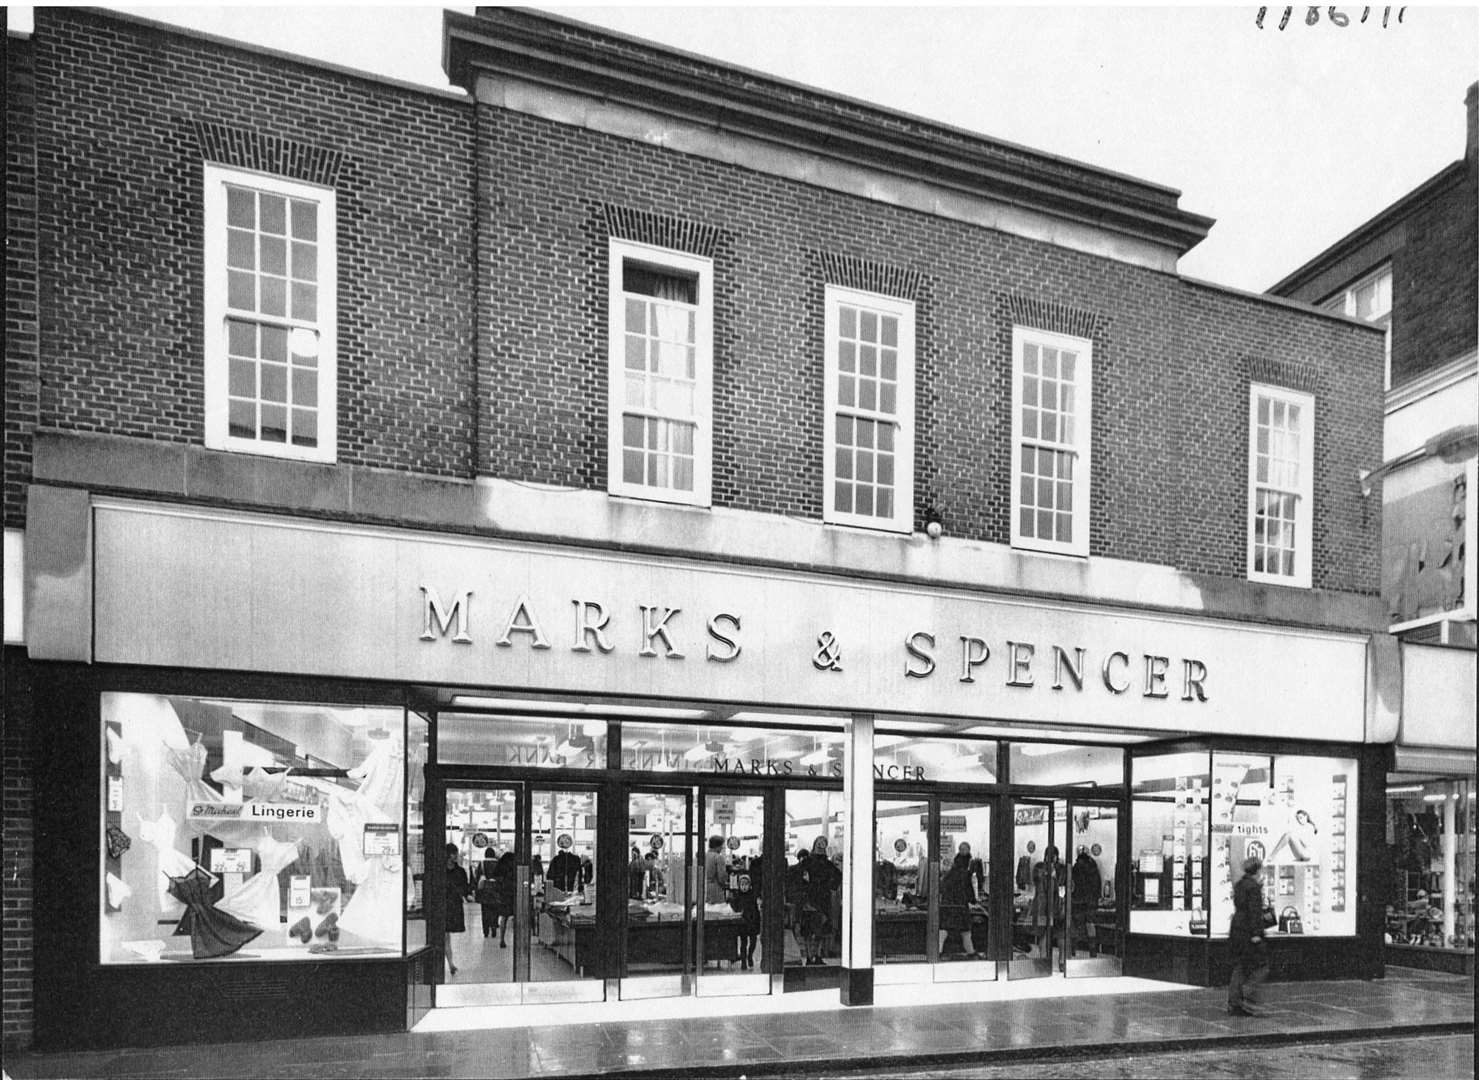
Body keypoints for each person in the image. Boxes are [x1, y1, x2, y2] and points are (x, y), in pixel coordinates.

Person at [1228, 855, 1270, 1016]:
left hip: (1237, 930)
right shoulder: (1253, 888)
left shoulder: (1240, 884)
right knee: (1262, 966)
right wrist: (1256, 934)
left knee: (1240, 967)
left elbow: (1242, 905)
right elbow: (1254, 913)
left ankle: (1234, 1003)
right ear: (1257, 869)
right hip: (1248, 932)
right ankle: (1250, 1000)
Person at [938, 852, 979, 958]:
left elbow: (942, 889)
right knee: (965, 931)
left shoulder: (949, 874)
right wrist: (974, 901)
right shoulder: (966, 874)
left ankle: (938, 951)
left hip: (947, 905)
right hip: (960, 906)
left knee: (944, 929)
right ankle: (970, 952)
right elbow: (969, 892)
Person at [444, 842, 471, 976]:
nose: (456, 856)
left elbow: (465, 887)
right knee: (444, 937)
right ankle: (450, 964)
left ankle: (450, 964)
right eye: (454, 853)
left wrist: (466, 895)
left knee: (445, 936)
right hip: (444, 906)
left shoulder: (460, 871)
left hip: (452, 906)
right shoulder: (444, 871)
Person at [1071, 847, 1103, 954]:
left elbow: (1072, 886)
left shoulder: (1076, 868)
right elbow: (1097, 885)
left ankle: (1073, 950)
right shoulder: (1093, 868)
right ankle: (1093, 950)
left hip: (1078, 901)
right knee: (1090, 924)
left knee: (1076, 925)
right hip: (1091, 902)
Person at [490, 850, 517, 947]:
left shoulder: (500, 866)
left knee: (504, 918)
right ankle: (517, 940)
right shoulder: (514, 866)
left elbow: (495, 878)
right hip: (514, 893)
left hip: (504, 893)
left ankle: (502, 939)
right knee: (517, 917)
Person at [475, 851, 500, 937]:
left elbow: (477, 877)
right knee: (495, 910)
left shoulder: (481, 863)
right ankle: (494, 928)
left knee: (485, 911)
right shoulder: (498, 864)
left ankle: (485, 931)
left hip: (485, 890)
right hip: (496, 890)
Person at [705, 835, 728, 904]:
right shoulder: (718, 858)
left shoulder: (703, 856)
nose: (722, 848)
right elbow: (721, 877)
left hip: (703, 888)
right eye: (722, 845)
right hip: (715, 889)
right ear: (717, 846)